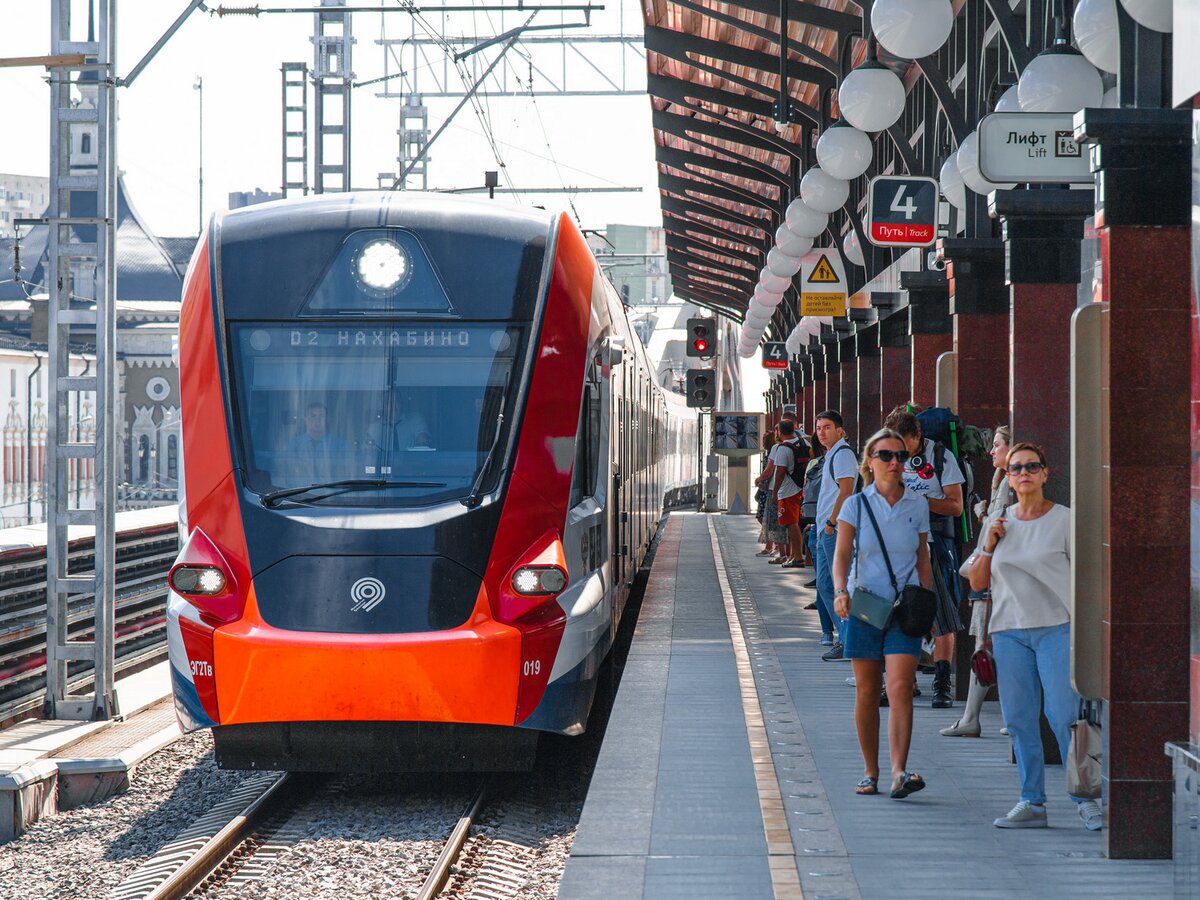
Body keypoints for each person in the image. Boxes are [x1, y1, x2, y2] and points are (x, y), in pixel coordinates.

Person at [967, 442, 1102, 831]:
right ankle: (1031, 801)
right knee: (1020, 720)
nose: (1023, 473)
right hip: (1009, 631)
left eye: (1031, 466)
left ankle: (1086, 798)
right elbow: (977, 581)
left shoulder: (1064, 520)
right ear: (1008, 478)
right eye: (1016, 468)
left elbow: (1088, 576)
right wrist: (989, 543)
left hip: (1057, 627)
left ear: (1045, 473)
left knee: (1064, 716)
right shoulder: (999, 520)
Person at [832, 428, 933, 799]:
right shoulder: (855, 505)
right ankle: (870, 771)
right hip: (865, 606)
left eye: (901, 456)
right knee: (868, 691)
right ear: (869, 463)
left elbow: (924, 557)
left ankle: (899, 772)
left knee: (901, 688)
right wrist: (840, 591)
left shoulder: (917, 504)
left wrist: (929, 602)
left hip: (904, 608)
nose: (895, 463)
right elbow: (841, 554)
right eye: (886, 456)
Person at [883, 406, 964, 708]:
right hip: (897, 546)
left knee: (941, 614)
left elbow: (955, 506)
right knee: (899, 613)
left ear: (918, 437)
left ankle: (942, 682)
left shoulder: (941, 458)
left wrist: (920, 501)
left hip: (933, 545)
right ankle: (904, 680)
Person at [942, 425, 1012, 738]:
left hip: (995, 579)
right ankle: (981, 716)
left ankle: (974, 717)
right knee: (990, 648)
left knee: (986, 647)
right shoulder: (1002, 482)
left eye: (997, 445)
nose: (991, 451)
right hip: (990, 575)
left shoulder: (1011, 483)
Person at [814, 410, 859, 659]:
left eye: (827, 427)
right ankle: (845, 637)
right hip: (825, 528)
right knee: (825, 584)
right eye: (819, 428)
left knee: (837, 585)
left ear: (840, 430)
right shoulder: (832, 454)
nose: (821, 432)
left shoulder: (843, 455)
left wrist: (831, 522)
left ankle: (847, 639)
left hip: (836, 528)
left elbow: (846, 490)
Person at [772, 419, 808, 569]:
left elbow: (780, 472)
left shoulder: (783, 449)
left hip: (788, 491)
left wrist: (774, 492)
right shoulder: (804, 443)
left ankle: (798, 557)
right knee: (796, 524)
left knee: (791, 524)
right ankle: (794, 555)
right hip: (802, 488)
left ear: (779, 432)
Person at [283, 401, 347, 481]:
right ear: (305, 419)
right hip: (300, 492)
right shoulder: (292, 446)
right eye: (313, 416)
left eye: (321, 416)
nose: (317, 420)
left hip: (331, 491)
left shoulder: (339, 445)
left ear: (326, 419)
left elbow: (343, 473)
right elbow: (288, 474)